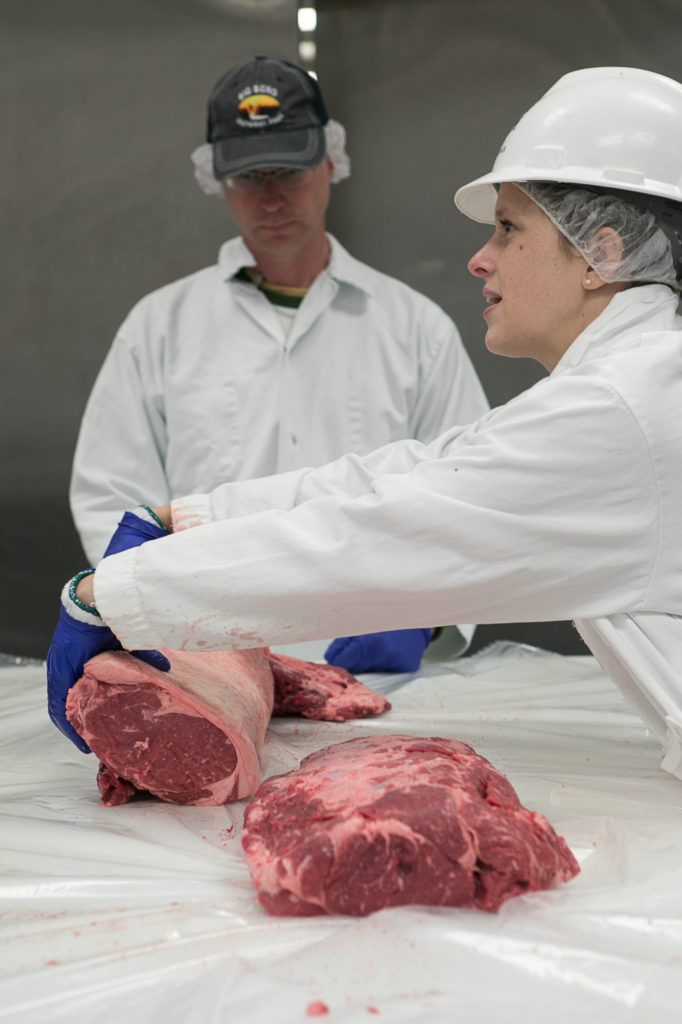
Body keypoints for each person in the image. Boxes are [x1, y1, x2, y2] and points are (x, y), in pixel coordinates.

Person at [48, 66, 682, 781]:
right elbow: (423, 470)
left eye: (508, 229)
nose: (480, 257)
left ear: (602, 253)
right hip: (215, 643)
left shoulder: (617, 411)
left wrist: (118, 594)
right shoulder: (630, 385)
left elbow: (399, 523)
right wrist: (188, 520)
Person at [68, 55, 488, 672]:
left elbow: (468, 486)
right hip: (206, 663)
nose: (271, 198)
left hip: (376, 667)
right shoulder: (159, 328)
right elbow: (111, 495)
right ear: (216, 179)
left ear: (330, 162)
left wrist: (427, 619)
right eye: (248, 177)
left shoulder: (413, 327)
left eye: (288, 171)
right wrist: (141, 610)